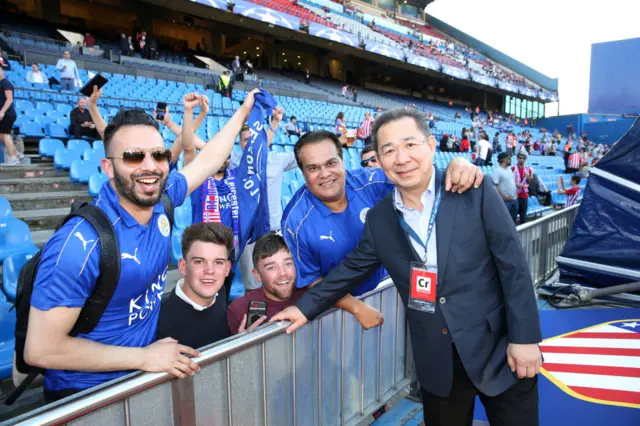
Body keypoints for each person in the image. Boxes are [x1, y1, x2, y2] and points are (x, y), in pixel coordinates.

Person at [272, 107, 542, 426]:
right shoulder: (380, 218)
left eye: (410, 144)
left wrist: (525, 339)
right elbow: (349, 270)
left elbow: (514, 267)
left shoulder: (472, 189)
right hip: (437, 362)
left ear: (430, 145)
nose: (401, 158)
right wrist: (303, 309)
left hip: (499, 349)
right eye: (389, 150)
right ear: (379, 159)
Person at [22, 89, 262, 403]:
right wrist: (142, 358)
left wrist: (244, 110)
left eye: (159, 155)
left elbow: (210, 158)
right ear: (108, 167)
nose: (150, 166)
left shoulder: (162, 198)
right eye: (134, 156)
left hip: (142, 378)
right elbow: (41, 349)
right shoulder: (79, 244)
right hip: (85, 395)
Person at [281, 130, 482, 329]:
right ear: (303, 173)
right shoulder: (294, 221)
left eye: (331, 163)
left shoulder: (372, 182)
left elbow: (422, 180)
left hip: (393, 286)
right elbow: (311, 278)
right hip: (340, 307)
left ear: (342, 161)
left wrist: (457, 165)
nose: (325, 174)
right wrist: (357, 308)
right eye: (313, 168)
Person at [157, 222, 234, 349]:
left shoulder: (220, 292)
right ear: (182, 267)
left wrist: (238, 337)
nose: (210, 270)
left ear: (227, 268)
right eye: (199, 261)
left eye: (218, 262)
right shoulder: (160, 322)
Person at [227, 233, 304, 335]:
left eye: (288, 264)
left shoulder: (313, 297)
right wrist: (242, 344)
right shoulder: (239, 310)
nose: (282, 273)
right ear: (258, 275)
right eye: (271, 267)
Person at [0, 68, 21, 165]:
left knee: (4, 135)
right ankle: (17, 153)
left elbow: (9, 99)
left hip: (7, 114)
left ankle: (13, 158)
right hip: (5, 113)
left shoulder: (6, 83)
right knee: (1, 136)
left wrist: (2, 111)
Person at [492, 152, 517, 223]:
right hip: (505, 201)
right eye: (509, 158)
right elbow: (495, 186)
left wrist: (516, 195)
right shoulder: (497, 171)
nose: (511, 160)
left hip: (514, 199)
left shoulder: (509, 170)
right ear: (504, 160)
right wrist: (503, 196)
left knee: (513, 221)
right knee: (505, 222)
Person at [511, 151, 533, 225]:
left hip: (524, 194)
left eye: (523, 158)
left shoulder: (528, 169)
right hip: (515, 194)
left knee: (523, 215)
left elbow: (530, 182)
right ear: (517, 158)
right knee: (514, 214)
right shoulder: (513, 168)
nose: (521, 160)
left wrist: (528, 177)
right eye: (520, 158)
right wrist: (516, 185)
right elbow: (510, 181)